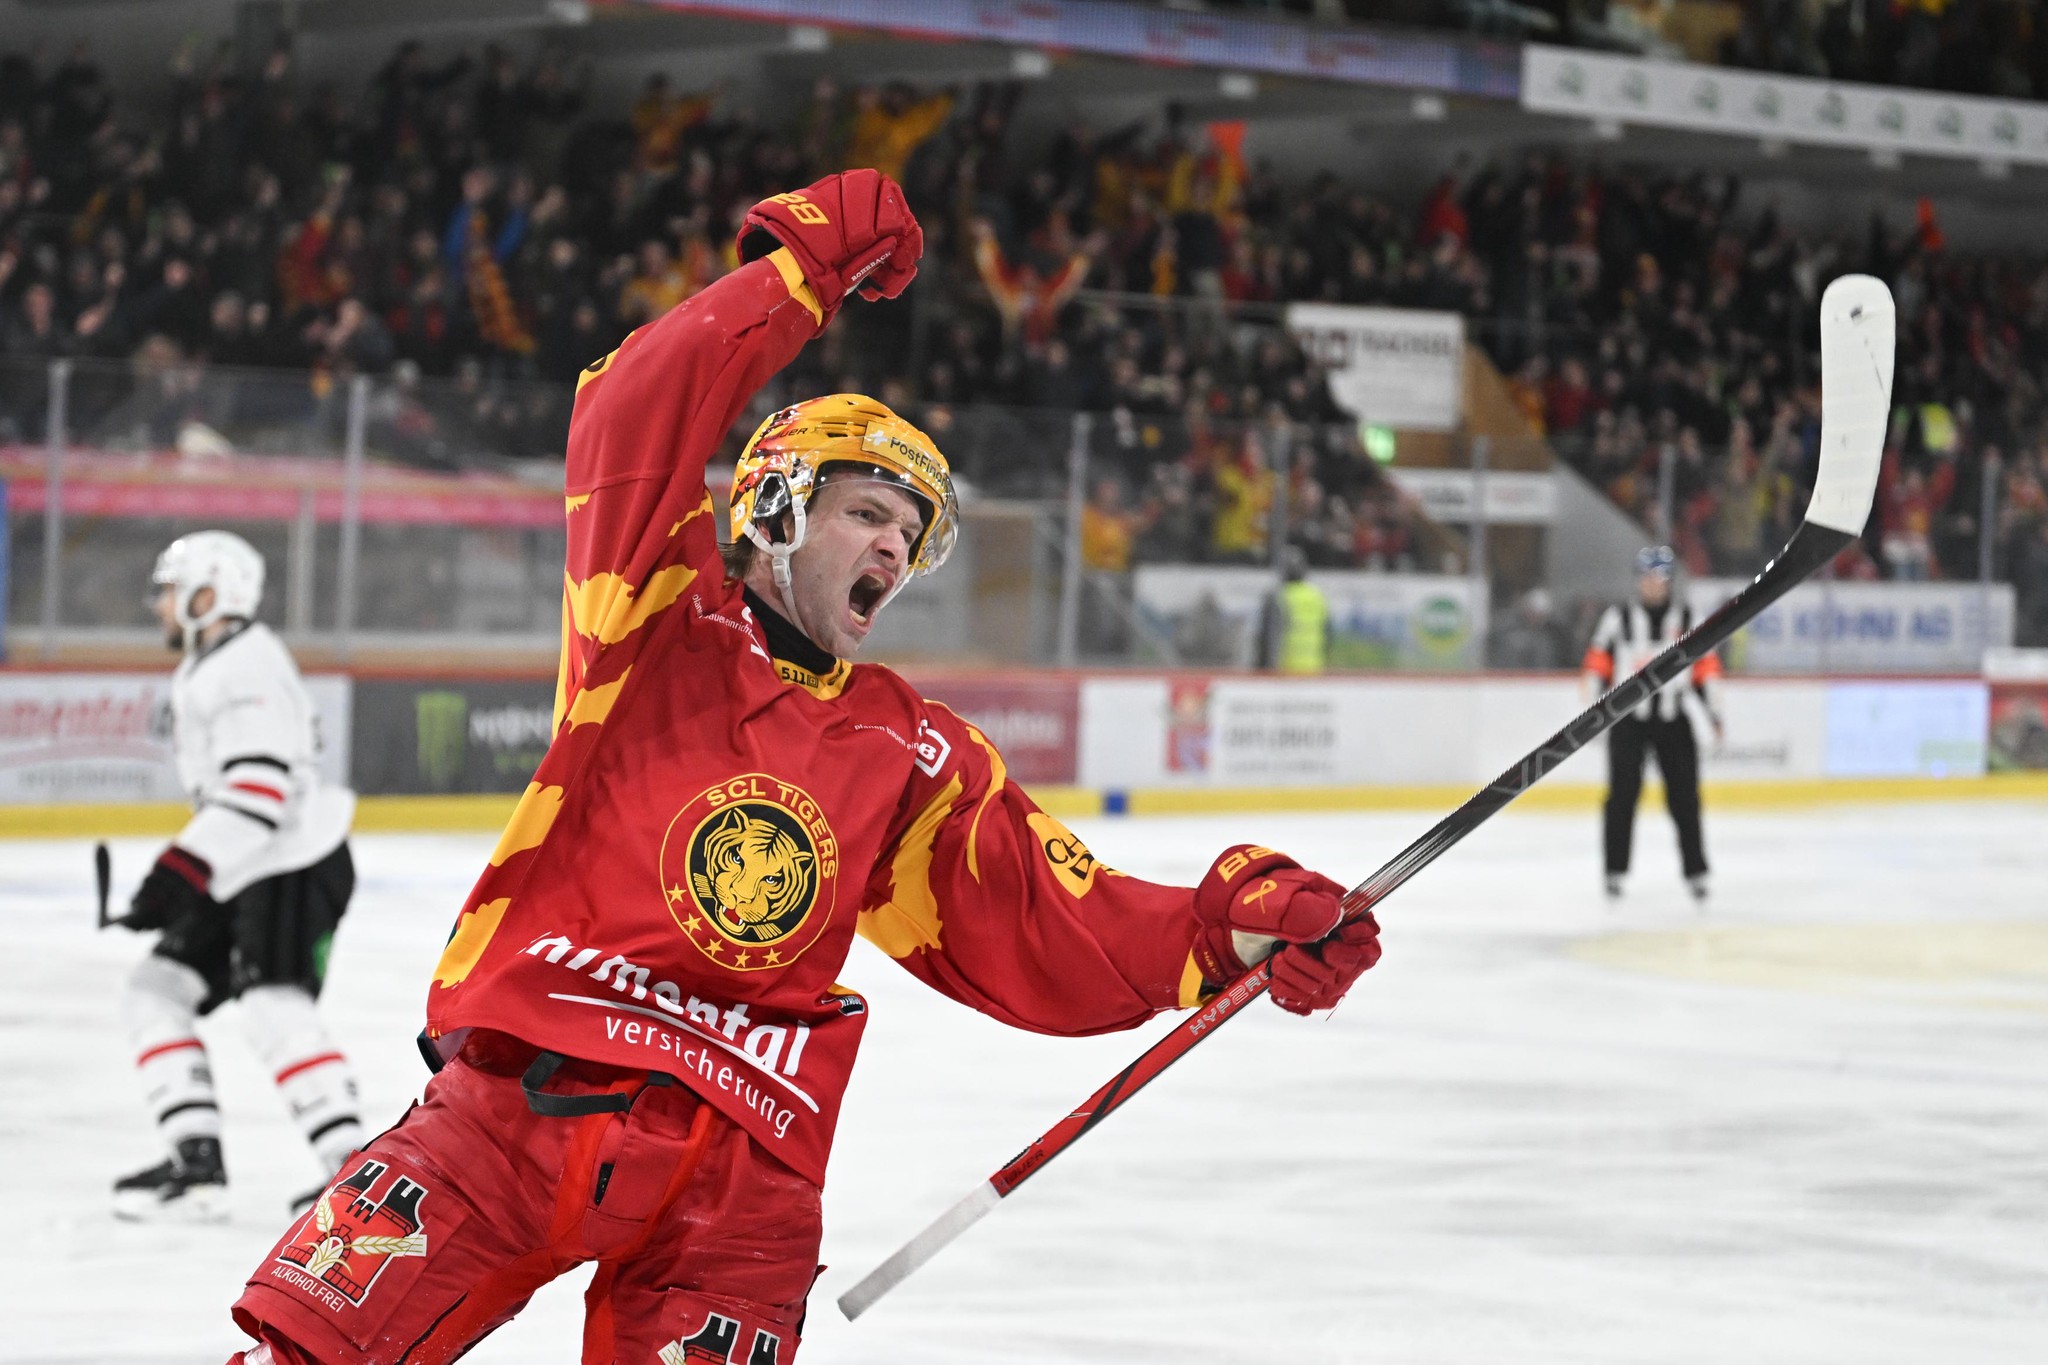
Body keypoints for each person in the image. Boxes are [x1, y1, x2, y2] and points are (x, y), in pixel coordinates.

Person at [221, 170, 1382, 1364]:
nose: (893, 545)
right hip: (516, 1104)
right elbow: (629, 411)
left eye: (908, 535)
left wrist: (1230, 930)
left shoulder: (911, 750)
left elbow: (1056, 925)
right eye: (867, 510)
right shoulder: (652, 620)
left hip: (742, 1175)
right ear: (772, 504)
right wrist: (796, 272)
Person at [113, 531, 363, 1221]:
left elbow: (259, 791)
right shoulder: (212, 663)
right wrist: (183, 875)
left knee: (273, 1005)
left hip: (289, 861)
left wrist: (176, 873)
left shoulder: (245, 666)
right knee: (155, 991)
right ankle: (197, 1166)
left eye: (169, 590)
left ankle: (354, 1172)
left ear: (207, 594)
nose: (159, 604)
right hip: (247, 864)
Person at [1582, 544, 1724, 902]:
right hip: (1628, 722)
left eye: (1659, 578)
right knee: (1621, 798)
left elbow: (1705, 670)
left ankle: (1696, 873)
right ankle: (1614, 871)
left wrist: (1714, 713)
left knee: (1685, 799)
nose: (1652, 584)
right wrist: (1593, 710)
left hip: (1673, 720)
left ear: (1670, 581)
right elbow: (1597, 663)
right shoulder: (1618, 618)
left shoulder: (1688, 618)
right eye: (1646, 577)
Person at [1258, 548, 1330, 673]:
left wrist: (1266, 668)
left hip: (1285, 669)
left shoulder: (1279, 597)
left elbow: (1269, 638)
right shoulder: (1317, 596)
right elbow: (1328, 635)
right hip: (1313, 668)